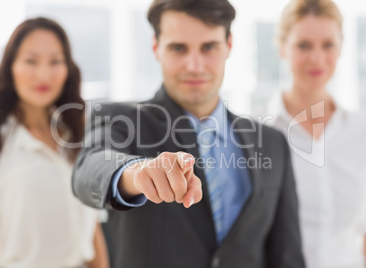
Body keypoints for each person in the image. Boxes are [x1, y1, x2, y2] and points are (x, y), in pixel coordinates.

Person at [72, 0, 305, 267]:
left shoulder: (272, 143)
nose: (194, 65)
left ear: (229, 45)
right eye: (178, 48)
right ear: (156, 48)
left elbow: (287, 255)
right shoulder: (121, 120)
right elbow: (87, 170)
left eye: (209, 47)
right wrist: (136, 172)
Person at [256, 0, 366, 267]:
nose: (316, 58)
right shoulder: (256, 133)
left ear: (340, 48)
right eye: (303, 45)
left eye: (328, 44)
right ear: (282, 47)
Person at [0, 17, 109, 268]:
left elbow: (91, 226)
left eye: (55, 61)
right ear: (11, 67)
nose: (43, 74)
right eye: (31, 61)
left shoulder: (77, 131)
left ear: (67, 69)